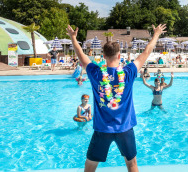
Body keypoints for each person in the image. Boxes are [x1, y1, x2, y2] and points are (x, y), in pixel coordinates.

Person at [67, 23, 166, 172]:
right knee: (132, 165)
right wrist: (156, 34)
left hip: (102, 130)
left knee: (90, 166)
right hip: (125, 129)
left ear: (104, 56)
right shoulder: (128, 72)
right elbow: (146, 52)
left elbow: (82, 56)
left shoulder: (95, 73)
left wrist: (74, 39)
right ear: (119, 56)